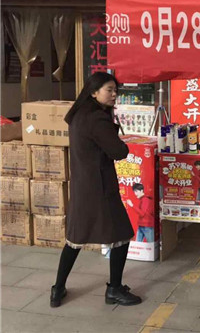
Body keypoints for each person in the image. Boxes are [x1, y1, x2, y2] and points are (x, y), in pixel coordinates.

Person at [51, 72, 141, 308]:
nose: (114, 94)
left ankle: (57, 289)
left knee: (75, 239)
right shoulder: (97, 119)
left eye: (115, 90)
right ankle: (114, 290)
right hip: (100, 188)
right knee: (121, 235)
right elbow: (119, 152)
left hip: (82, 186)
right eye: (109, 90)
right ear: (93, 92)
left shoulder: (78, 114)